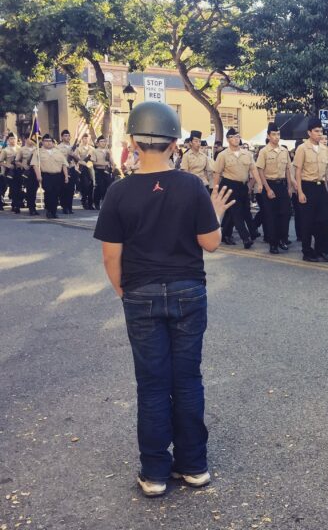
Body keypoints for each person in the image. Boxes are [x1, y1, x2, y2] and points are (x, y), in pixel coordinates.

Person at [94, 100, 234, 498]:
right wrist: (216, 214)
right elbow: (210, 244)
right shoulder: (191, 186)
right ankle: (194, 467)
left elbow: (110, 255)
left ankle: (155, 473)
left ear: (134, 142)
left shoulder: (118, 192)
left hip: (140, 294)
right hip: (189, 290)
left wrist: (126, 292)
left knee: (152, 384)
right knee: (187, 379)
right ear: (175, 144)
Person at [212, 128, 260, 249]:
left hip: (243, 185)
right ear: (228, 140)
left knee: (243, 211)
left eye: (238, 136)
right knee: (236, 212)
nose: (236, 139)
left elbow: (253, 169)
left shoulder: (247, 154)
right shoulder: (223, 155)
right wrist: (215, 190)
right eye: (233, 137)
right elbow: (217, 173)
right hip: (229, 185)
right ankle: (246, 238)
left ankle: (226, 234)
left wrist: (259, 183)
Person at [294, 117, 328, 262]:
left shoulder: (324, 149)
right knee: (308, 221)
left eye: (321, 131)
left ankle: (322, 249)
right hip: (307, 186)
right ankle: (307, 251)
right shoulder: (302, 149)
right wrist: (300, 192)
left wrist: (327, 191)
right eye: (316, 131)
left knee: (323, 220)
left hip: (321, 187)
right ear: (309, 132)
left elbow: (325, 173)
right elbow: (297, 171)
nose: (319, 134)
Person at [256, 122, 294, 254]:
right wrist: (267, 189)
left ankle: (282, 239)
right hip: (270, 185)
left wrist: (290, 187)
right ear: (268, 135)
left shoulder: (284, 151)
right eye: (274, 134)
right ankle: (273, 243)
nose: (276, 137)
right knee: (271, 216)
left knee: (285, 214)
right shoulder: (264, 152)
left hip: (282, 185)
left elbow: (288, 170)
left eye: (278, 134)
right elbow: (260, 171)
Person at [31, 134, 69, 219]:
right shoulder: (38, 152)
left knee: (56, 194)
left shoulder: (58, 152)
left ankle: (54, 211)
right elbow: (35, 165)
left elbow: (64, 164)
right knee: (49, 192)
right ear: (42, 142)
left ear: (53, 142)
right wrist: (38, 176)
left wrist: (66, 176)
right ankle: (49, 210)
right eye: (46, 141)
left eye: (50, 141)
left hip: (58, 175)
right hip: (46, 175)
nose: (48, 143)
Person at [15, 137, 39, 215]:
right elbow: (16, 161)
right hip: (25, 172)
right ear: (25, 139)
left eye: (33, 139)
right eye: (30, 139)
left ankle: (33, 207)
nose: (32, 140)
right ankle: (25, 206)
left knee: (33, 190)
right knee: (26, 190)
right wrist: (23, 165)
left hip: (35, 171)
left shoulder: (37, 149)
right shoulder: (21, 149)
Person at [57, 130, 77, 214]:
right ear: (61, 137)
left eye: (68, 136)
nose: (67, 137)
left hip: (72, 168)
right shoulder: (58, 147)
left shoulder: (73, 147)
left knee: (71, 189)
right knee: (64, 189)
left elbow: (78, 159)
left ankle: (70, 206)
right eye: (65, 135)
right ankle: (64, 206)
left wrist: (73, 155)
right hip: (62, 169)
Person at [92, 135, 114, 210]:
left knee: (107, 187)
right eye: (101, 141)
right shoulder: (95, 151)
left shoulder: (108, 151)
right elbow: (94, 163)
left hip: (107, 171)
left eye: (104, 141)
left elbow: (111, 159)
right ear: (98, 143)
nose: (103, 143)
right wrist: (103, 164)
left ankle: (105, 203)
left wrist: (113, 165)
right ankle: (96, 202)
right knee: (99, 187)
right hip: (99, 171)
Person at [75, 134, 95, 210]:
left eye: (87, 138)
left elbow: (94, 158)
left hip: (91, 168)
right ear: (82, 139)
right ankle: (84, 201)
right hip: (83, 169)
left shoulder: (92, 149)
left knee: (92, 186)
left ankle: (90, 203)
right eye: (84, 138)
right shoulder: (79, 149)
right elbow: (77, 159)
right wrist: (83, 163)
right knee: (85, 186)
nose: (86, 140)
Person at [0, 133, 18, 212]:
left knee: (16, 188)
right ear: (8, 140)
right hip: (8, 171)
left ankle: (15, 204)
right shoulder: (5, 150)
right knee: (6, 188)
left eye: (14, 138)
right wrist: (7, 165)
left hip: (18, 171)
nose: (13, 140)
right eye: (11, 138)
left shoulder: (20, 149)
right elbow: (0, 161)